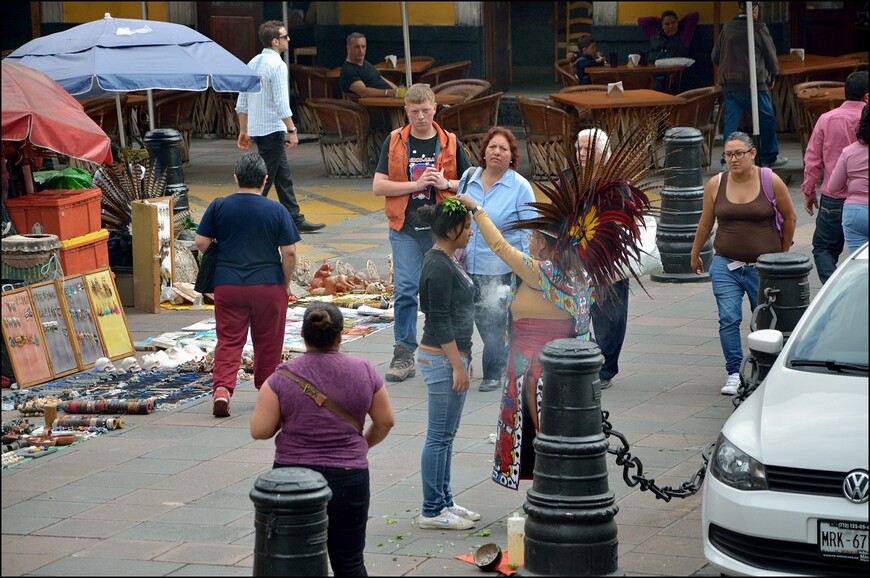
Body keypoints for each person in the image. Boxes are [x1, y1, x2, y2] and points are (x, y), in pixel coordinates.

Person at [456, 115, 657, 489]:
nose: (528, 242)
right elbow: (583, 329)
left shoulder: (539, 272)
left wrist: (477, 211)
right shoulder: (581, 276)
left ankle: (548, 486)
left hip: (535, 367)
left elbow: (500, 246)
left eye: (534, 238)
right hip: (570, 368)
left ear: (546, 246)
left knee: (539, 435)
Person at [251, 302, 395, 576]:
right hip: (348, 476)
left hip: (292, 481)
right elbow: (386, 420)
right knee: (350, 562)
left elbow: (259, 430)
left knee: (292, 561)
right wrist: (362, 445)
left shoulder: (281, 377)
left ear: (303, 336)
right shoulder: (364, 369)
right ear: (341, 336)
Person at [372, 83, 472, 382]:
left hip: (440, 231)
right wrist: (415, 185)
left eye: (426, 111)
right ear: (406, 111)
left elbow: (469, 184)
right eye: (414, 112)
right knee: (405, 290)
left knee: (442, 291)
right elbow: (378, 186)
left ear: (435, 108)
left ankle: (449, 348)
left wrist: (445, 184)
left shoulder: (450, 142)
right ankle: (404, 353)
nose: (421, 117)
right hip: (404, 227)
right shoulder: (394, 141)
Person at [690, 131, 797, 396]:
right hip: (726, 264)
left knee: (764, 320)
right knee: (728, 318)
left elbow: (790, 216)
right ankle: (733, 372)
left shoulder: (770, 180)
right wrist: (695, 252)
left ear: (752, 153)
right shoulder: (716, 183)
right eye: (728, 154)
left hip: (763, 267)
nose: (733, 159)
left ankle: (765, 369)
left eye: (739, 153)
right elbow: (706, 222)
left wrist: (782, 253)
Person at [195, 153, 301, 417]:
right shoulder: (277, 210)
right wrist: (285, 284)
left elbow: (201, 242)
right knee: (269, 342)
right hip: (268, 285)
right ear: (265, 180)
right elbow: (289, 252)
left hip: (228, 285)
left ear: (235, 178)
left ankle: (222, 389)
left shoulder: (219, 206)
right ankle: (267, 394)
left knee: (229, 340)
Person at [414, 197, 479, 530]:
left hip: (451, 356)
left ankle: (444, 501)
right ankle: (431, 509)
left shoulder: (447, 258)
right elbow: (438, 320)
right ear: (452, 229)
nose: (470, 232)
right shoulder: (437, 265)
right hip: (440, 358)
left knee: (446, 436)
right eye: (466, 227)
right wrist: (457, 365)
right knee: (438, 436)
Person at [456, 127, 536, 392]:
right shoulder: (469, 178)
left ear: (512, 156)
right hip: (471, 265)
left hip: (503, 268)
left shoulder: (520, 187)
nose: (497, 153)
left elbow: (528, 231)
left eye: (503, 149)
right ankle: (500, 362)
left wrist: (527, 269)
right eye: (492, 147)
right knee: (480, 317)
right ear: (484, 151)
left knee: (495, 319)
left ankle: (494, 370)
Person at [236, 20, 325, 233]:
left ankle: (294, 217)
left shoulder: (252, 63)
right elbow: (281, 104)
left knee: (283, 176)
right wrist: (292, 130)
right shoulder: (277, 65)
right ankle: (247, 220)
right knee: (263, 180)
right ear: (275, 41)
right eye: (285, 37)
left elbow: (242, 102)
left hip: (260, 128)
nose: (288, 40)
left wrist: (244, 129)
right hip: (272, 129)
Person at [570, 129, 627, 390]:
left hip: (607, 257)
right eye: (579, 149)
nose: (582, 154)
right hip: (573, 257)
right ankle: (582, 360)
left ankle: (605, 369)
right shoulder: (570, 179)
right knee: (574, 312)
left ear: (604, 154)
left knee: (610, 316)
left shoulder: (616, 183)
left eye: (588, 150)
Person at [801, 71, 868, 283]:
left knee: (823, 248)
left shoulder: (826, 119)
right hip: (862, 199)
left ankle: (835, 291)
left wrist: (809, 192)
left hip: (834, 197)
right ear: (866, 96)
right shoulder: (863, 120)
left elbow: (812, 159)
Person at [711, 2, 787, 169]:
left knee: (731, 121)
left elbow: (715, 56)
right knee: (766, 118)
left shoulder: (728, 27)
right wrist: (773, 74)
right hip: (753, 83)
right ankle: (769, 156)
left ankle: (728, 160)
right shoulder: (758, 28)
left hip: (729, 82)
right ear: (755, 9)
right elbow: (770, 56)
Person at [829, 104, 869, 253]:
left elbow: (833, 187)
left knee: (860, 267)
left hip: (855, 211)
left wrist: (853, 187)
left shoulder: (849, 151)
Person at [637, 9, 699, 92]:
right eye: (667, 24)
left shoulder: (684, 36)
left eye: (673, 23)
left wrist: (678, 24)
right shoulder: (655, 34)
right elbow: (641, 21)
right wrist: (660, 20)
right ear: (662, 26)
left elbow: (694, 16)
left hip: (671, 76)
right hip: (652, 72)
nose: (670, 26)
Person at [340, 32, 399, 98]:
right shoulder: (348, 70)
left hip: (391, 99)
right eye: (357, 47)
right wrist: (388, 92)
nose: (361, 50)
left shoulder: (366, 64)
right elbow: (363, 92)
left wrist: (398, 91)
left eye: (363, 46)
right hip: (379, 104)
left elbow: (380, 78)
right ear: (348, 48)